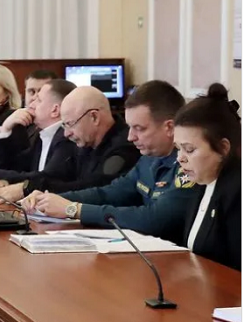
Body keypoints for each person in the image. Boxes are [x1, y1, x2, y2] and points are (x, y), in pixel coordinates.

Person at [22, 80, 199, 244]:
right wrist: (49, 199)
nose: (131, 137)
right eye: (130, 127)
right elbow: (110, 193)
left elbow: (154, 219)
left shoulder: (189, 165)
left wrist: (74, 209)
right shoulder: (149, 158)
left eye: (139, 128)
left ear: (169, 127)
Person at [0, 86, 140, 203]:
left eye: (70, 124)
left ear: (94, 117)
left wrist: (27, 188)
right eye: (64, 125)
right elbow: (57, 176)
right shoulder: (84, 141)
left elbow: (94, 188)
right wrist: (9, 183)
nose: (66, 133)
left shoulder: (125, 146)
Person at [175, 84, 241, 270]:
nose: (180, 158)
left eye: (189, 149)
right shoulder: (202, 182)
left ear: (223, 148)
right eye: (178, 148)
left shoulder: (237, 193)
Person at [0, 79, 77, 185]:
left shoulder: (66, 138)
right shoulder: (42, 135)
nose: (31, 103)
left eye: (39, 100)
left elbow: (47, 178)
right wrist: (5, 128)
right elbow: (15, 168)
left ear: (55, 110)